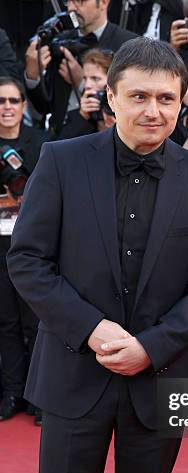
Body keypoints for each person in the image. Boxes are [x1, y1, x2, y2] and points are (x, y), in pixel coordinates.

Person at [7, 36, 188, 473]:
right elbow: (27, 260)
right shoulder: (61, 160)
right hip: (72, 378)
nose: (153, 111)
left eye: (166, 98)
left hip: (157, 386)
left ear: (183, 103)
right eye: (138, 97)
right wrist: (92, 329)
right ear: (111, 96)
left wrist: (150, 348)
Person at [0, 77, 48, 425]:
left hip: (32, 244)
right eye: (1, 101)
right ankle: (13, 392)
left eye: (14, 101)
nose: (7, 107)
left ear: (23, 106)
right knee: (6, 323)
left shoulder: (41, 143)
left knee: (36, 321)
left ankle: (38, 395)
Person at [24, 0, 135, 134]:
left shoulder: (129, 45)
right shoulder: (58, 40)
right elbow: (44, 105)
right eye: (68, 2)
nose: (71, 8)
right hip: (60, 138)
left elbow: (132, 100)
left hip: (105, 138)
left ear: (104, 3)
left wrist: (81, 82)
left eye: (80, 1)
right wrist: (32, 73)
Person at [59, 48, 115, 139]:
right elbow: (61, 149)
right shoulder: (76, 115)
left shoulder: (128, 111)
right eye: (85, 78)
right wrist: (82, 117)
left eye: (95, 78)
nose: (87, 85)